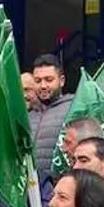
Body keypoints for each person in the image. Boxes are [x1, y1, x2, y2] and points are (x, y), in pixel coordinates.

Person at [29, 55, 75, 189]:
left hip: (62, 189)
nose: (43, 85)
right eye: (38, 80)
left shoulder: (74, 109)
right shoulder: (28, 115)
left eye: (48, 80)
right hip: (31, 191)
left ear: (61, 81)